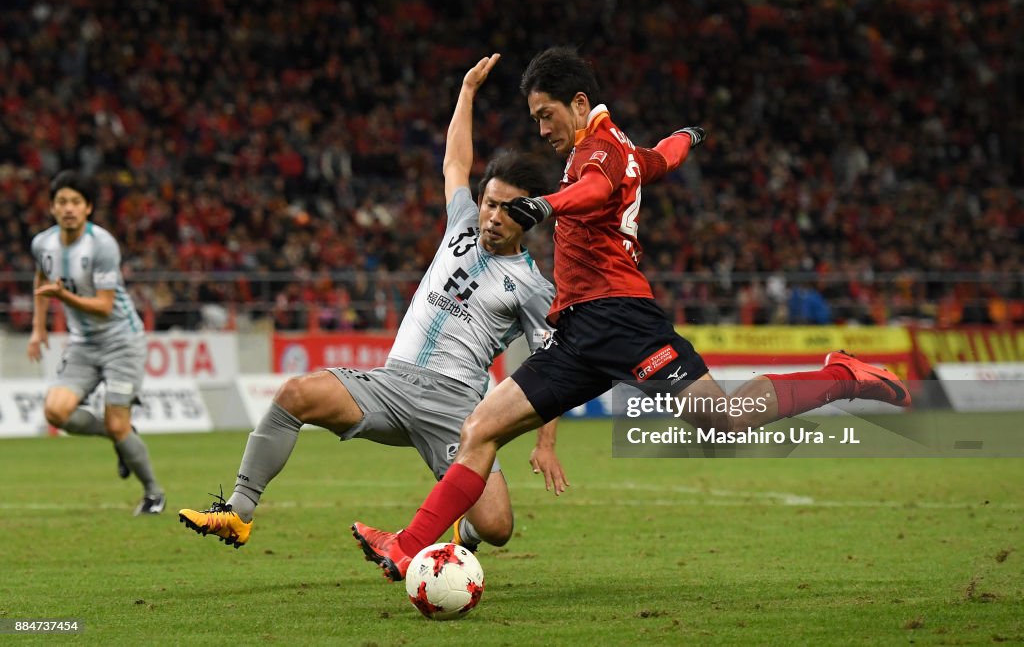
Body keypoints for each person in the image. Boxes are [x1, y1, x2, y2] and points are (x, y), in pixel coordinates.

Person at [352, 46, 911, 581]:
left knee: (722, 420)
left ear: (577, 103)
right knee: (480, 429)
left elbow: (595, 189)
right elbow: (662, 158)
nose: (541, 130)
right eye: (534, 119)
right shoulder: (619, 148)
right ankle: (406, 549)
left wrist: (545, 204)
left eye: (545, 115)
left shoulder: (598, 149)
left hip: (623, 321)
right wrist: (687, 137)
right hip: (576, 333)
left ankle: (841, 377)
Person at [178, 54, 567, 552]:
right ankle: (238, 511)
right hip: (390, 383)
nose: (491, 215)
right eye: (489, 202)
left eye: (506, 208)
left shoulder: (533, 287)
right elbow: (454, 162)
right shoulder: (461, 223)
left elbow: (553, 365)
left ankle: (449, 547)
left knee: (496, 528)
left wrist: (546, 442)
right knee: (295, 394)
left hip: (457, 409)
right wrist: (466, 93)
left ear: (529, 215)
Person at [28, 170, 165, 516]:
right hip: (83, 345)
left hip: (122, 341)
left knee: (117, 422)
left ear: (88, 208)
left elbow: (104, 306)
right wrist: (38, 327)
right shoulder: (42, 243)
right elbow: (42, 277)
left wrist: (62, 295)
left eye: (76, 202)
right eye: (62, 202)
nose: (68, 208)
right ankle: (120, 436)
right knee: (55, 412)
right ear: (52, 208)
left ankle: (153, 494)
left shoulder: (102, 245)